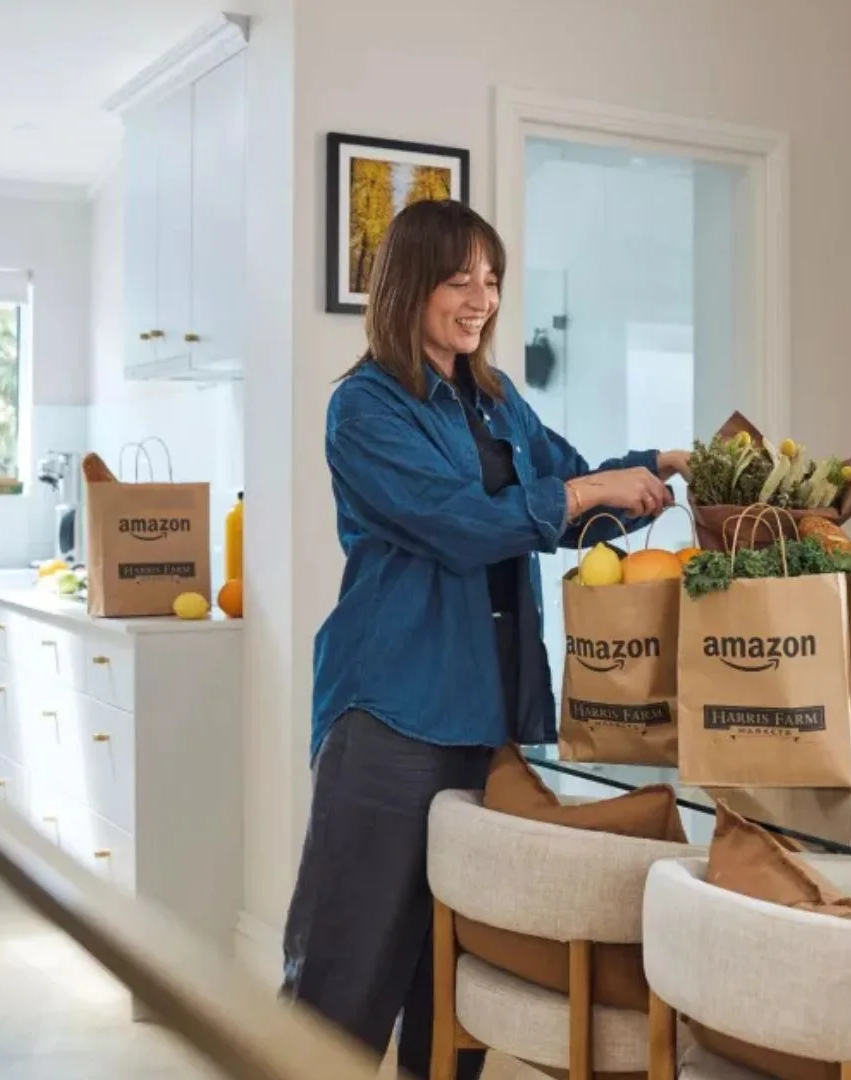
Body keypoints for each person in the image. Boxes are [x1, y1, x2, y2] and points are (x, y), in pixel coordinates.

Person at [281, 199, 688, 1077]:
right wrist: (578, 500)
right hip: (395, 710)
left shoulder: (497, 402)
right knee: (346, 973)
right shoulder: (364, 408)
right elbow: (463, 522)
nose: (481, 298)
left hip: (490, 716)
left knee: (455, 965)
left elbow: (573, 486)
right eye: (460, 278)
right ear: (409, 284)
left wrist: (662, 468)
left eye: (493, 279)